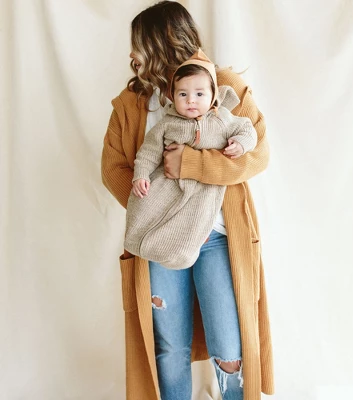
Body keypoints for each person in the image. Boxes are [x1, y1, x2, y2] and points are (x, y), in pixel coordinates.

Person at [101, 1, 274, 399]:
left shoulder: (222, 85)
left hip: (219, 238)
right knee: (169, 346)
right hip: (160, 241)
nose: (132, 54)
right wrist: (158, 208)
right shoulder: (133, 102)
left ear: (160, 43)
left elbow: (258, 153)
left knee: (230, 344)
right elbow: (113, 169)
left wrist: (192, 164)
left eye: (138, 44)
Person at [124, 49, 257, 270]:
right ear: (173, 96)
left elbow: (248, 129)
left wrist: (241, 143)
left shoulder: (222, 119)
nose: (191, 101)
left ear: (213, 96)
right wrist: (141, 175)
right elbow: (148, 152)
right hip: (168, 185)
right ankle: (140, 242)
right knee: (145, 207)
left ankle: (182, 255)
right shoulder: (168, 124)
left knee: (191, 228)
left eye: (199, 94)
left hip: (203, 192)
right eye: (183, 94)